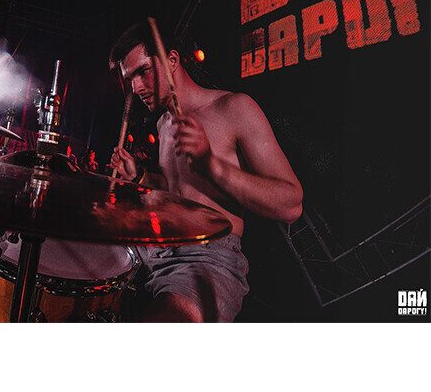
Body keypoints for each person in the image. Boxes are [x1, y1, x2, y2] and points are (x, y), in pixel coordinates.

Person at [109, 21, 303, 322]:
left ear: (172, 60)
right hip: (160, 247)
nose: (135, 88)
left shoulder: (234, 108)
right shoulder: (164, 123)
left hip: (208, 258)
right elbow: (181, 192)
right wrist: (141, 177)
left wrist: (211, 163)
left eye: (142, 71)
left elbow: (291, 204)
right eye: (129, 79)